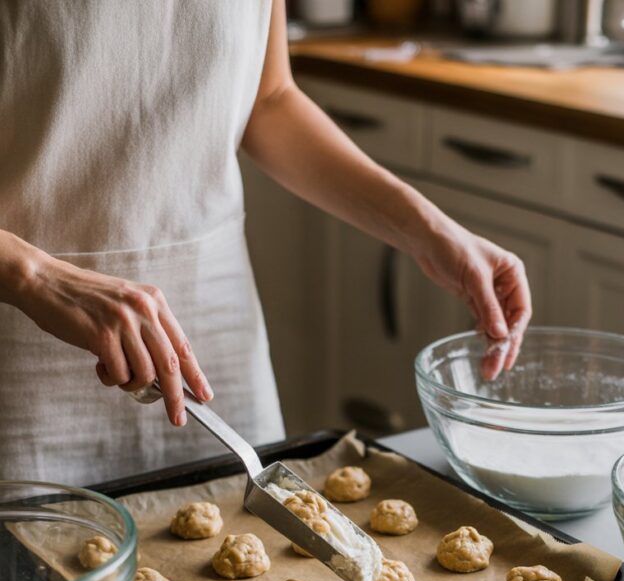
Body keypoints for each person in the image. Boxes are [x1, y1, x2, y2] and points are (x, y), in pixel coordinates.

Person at [0, 1, 531, 485]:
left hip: (212, 320)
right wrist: (35, 276)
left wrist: (430, 231)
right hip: (25, 327)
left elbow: (269, 99)